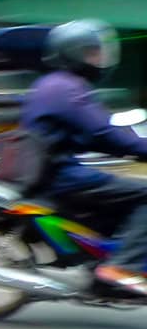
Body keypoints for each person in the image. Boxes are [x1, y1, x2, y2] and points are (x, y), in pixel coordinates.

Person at [18, 20, 147, 294]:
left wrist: (132, 147)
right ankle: (122, 267)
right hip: (62, 176)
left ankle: (103, 261)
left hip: (56, 171)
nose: (99, 59)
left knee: (122, 195)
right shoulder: (66, 88)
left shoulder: (57, 84)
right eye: (92, 53)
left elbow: (95, 134)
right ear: (73, 53)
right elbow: (103, 131)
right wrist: (139, 148)